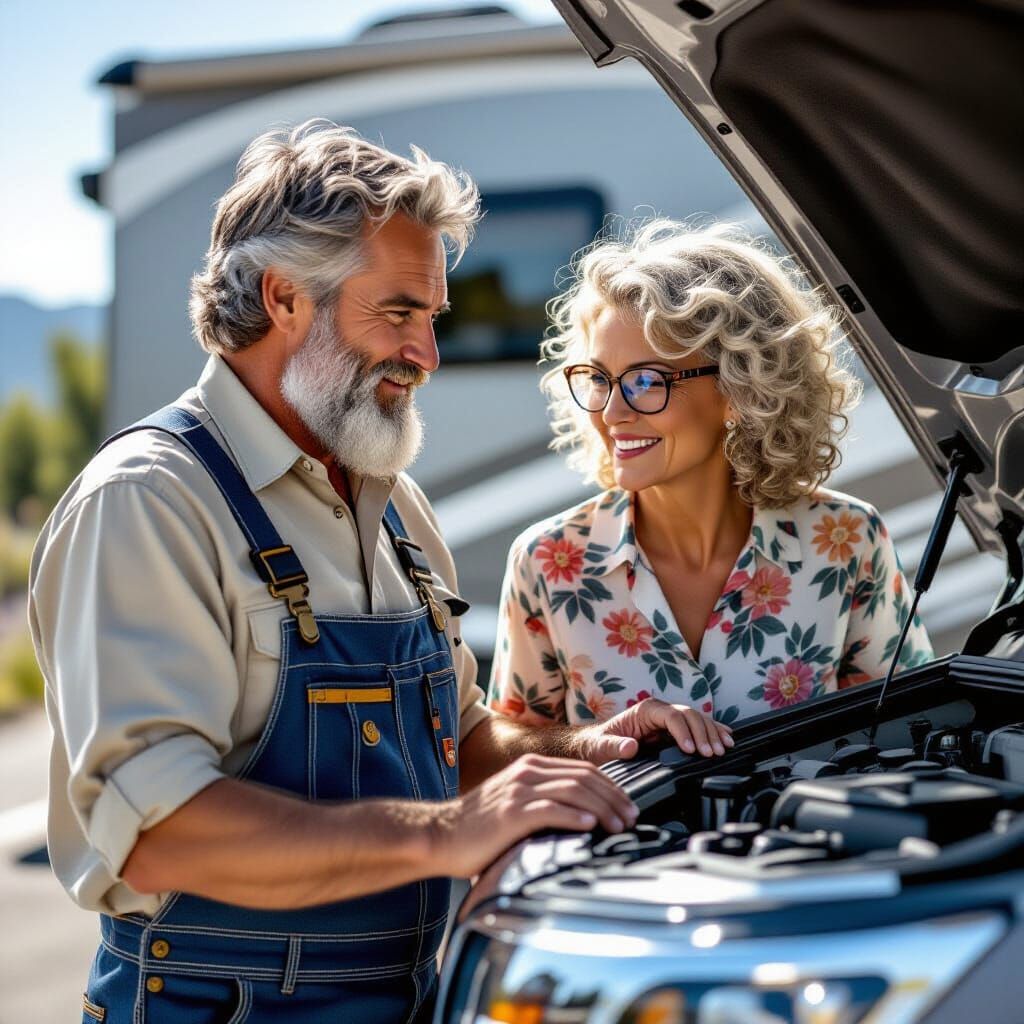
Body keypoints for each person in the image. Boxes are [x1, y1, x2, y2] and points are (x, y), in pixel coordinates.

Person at [29, 126, 730, 1023]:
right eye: (399, 313)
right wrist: (445, 834)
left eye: (432, 318)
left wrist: (588, 749)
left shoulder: (392, 502)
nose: (426, 354)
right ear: (284, 297)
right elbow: (159, 835)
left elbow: (460, 742)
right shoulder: (148, 502)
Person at [488, 220, 933, 735]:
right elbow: (504, 746)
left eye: (646, 381)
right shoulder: (547, 560)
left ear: (741, 389)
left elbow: (911, 723)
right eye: (599, 379)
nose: (611, 413)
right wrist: (594, 742)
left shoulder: (847, 540)